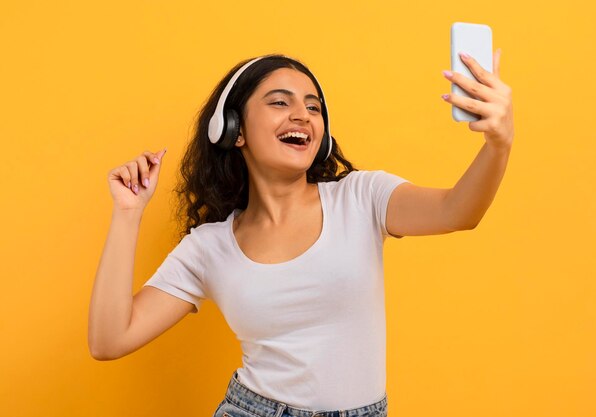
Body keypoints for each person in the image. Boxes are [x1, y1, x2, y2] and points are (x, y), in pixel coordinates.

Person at [88, 52, 514, 417]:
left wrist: (498, 144)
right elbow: (109, 340)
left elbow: (458, 211)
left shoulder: (362, 197)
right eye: (280, 102)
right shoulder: (208, 247)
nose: (302, 115)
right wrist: (128, 215)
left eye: (314, 107)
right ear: (233, 129)